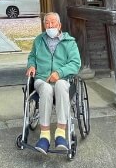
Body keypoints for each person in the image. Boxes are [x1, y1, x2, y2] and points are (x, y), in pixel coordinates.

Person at [25, 12, 81, 154]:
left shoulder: (69, 42)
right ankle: (44, 136)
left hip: (63, 80)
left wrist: (59, 73)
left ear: (59, 25)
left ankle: (60, 133)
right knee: (46, 88)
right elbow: (32, 56)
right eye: (47, 23)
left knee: (61, 85)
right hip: (42, 80)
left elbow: (75, 63)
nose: (50, 26)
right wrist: (31, 65)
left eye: (53, 23)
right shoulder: (38, 40)